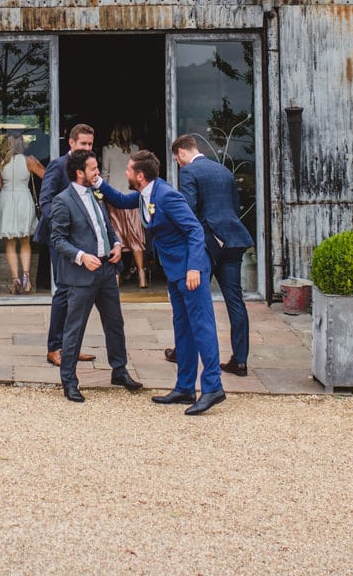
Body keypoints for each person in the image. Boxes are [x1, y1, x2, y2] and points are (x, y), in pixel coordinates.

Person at [100, 149, 224, 415]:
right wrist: (97, 181)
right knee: (183, 330)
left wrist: (194, 269)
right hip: (174, 272)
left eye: (129, 169)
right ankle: (185, 387)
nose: (125, 172)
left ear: (140, 175)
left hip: (191, 272)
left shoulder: (167, 196)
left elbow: (194, 229)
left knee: (202, 328)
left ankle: (213, 387)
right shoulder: (146, 195)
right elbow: (120, 200)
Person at [48, 148, 144, 402]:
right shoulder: (62, 200)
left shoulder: (97, 194)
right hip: (81, 275)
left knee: (115, 324)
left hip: (106, 270)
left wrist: (115, 245)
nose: (97, 172)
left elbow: (106, 226)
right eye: (93, 169)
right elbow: (57, 239)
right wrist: (81, 256)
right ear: (79, 173)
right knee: (74, 329)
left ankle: (119, 370)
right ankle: (69, 381)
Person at [173, 134, 254, 375]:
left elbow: (187, 210)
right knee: (235, 301)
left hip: (208, 243)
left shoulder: (189, 172)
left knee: (192, 297)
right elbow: (234, 206)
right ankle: (240, 360)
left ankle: (182, 352)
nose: (178, 163)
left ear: (183, 153)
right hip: (233, 239)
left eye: (177, 159)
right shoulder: (224, 171)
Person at [35, 124, 98, 367]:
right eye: (83, 144)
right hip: (59, 239)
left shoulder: (90, 168)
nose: (87, 148)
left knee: (79, 294)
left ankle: (71, 347)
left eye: (90, 144)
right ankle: (55, 348)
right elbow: (46, 200)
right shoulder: (58, 165)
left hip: (83, 242)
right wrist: (64, 226)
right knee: (63, 292)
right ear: (71, 143)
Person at [0, 133, 44, 293]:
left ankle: (15, 279)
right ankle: (26, 278)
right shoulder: (29, 161)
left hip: (5, 200)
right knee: (25, 241)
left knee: (10, 242)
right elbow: (46, 176)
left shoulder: (0, 163)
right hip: (23, 199)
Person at [98, 125, 148, 288]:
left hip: (114, 196)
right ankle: (142, 276)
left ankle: (117, 277)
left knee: (116, 235)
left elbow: (104, 173)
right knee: (135, 236)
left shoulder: (107, 149)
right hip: (132, 196)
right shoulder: (135, 149)